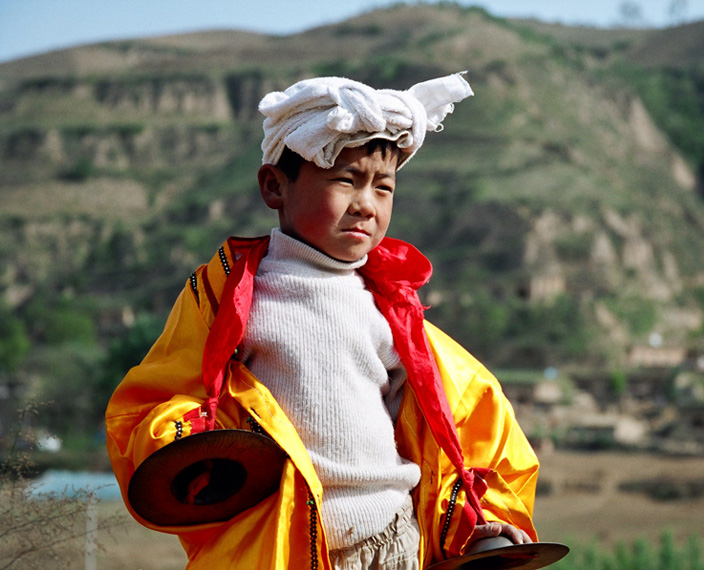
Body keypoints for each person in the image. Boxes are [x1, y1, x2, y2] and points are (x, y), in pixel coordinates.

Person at [105, 72, 539, 570]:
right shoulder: (230, 295)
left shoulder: (389, 306)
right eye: (344, 180)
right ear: (274, 186)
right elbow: (168, 394)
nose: (366, 205)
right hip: (280, 547)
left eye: (383, 187)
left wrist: (474, 516)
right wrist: (188, 446)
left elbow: (451, 426)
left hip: (393, 540)